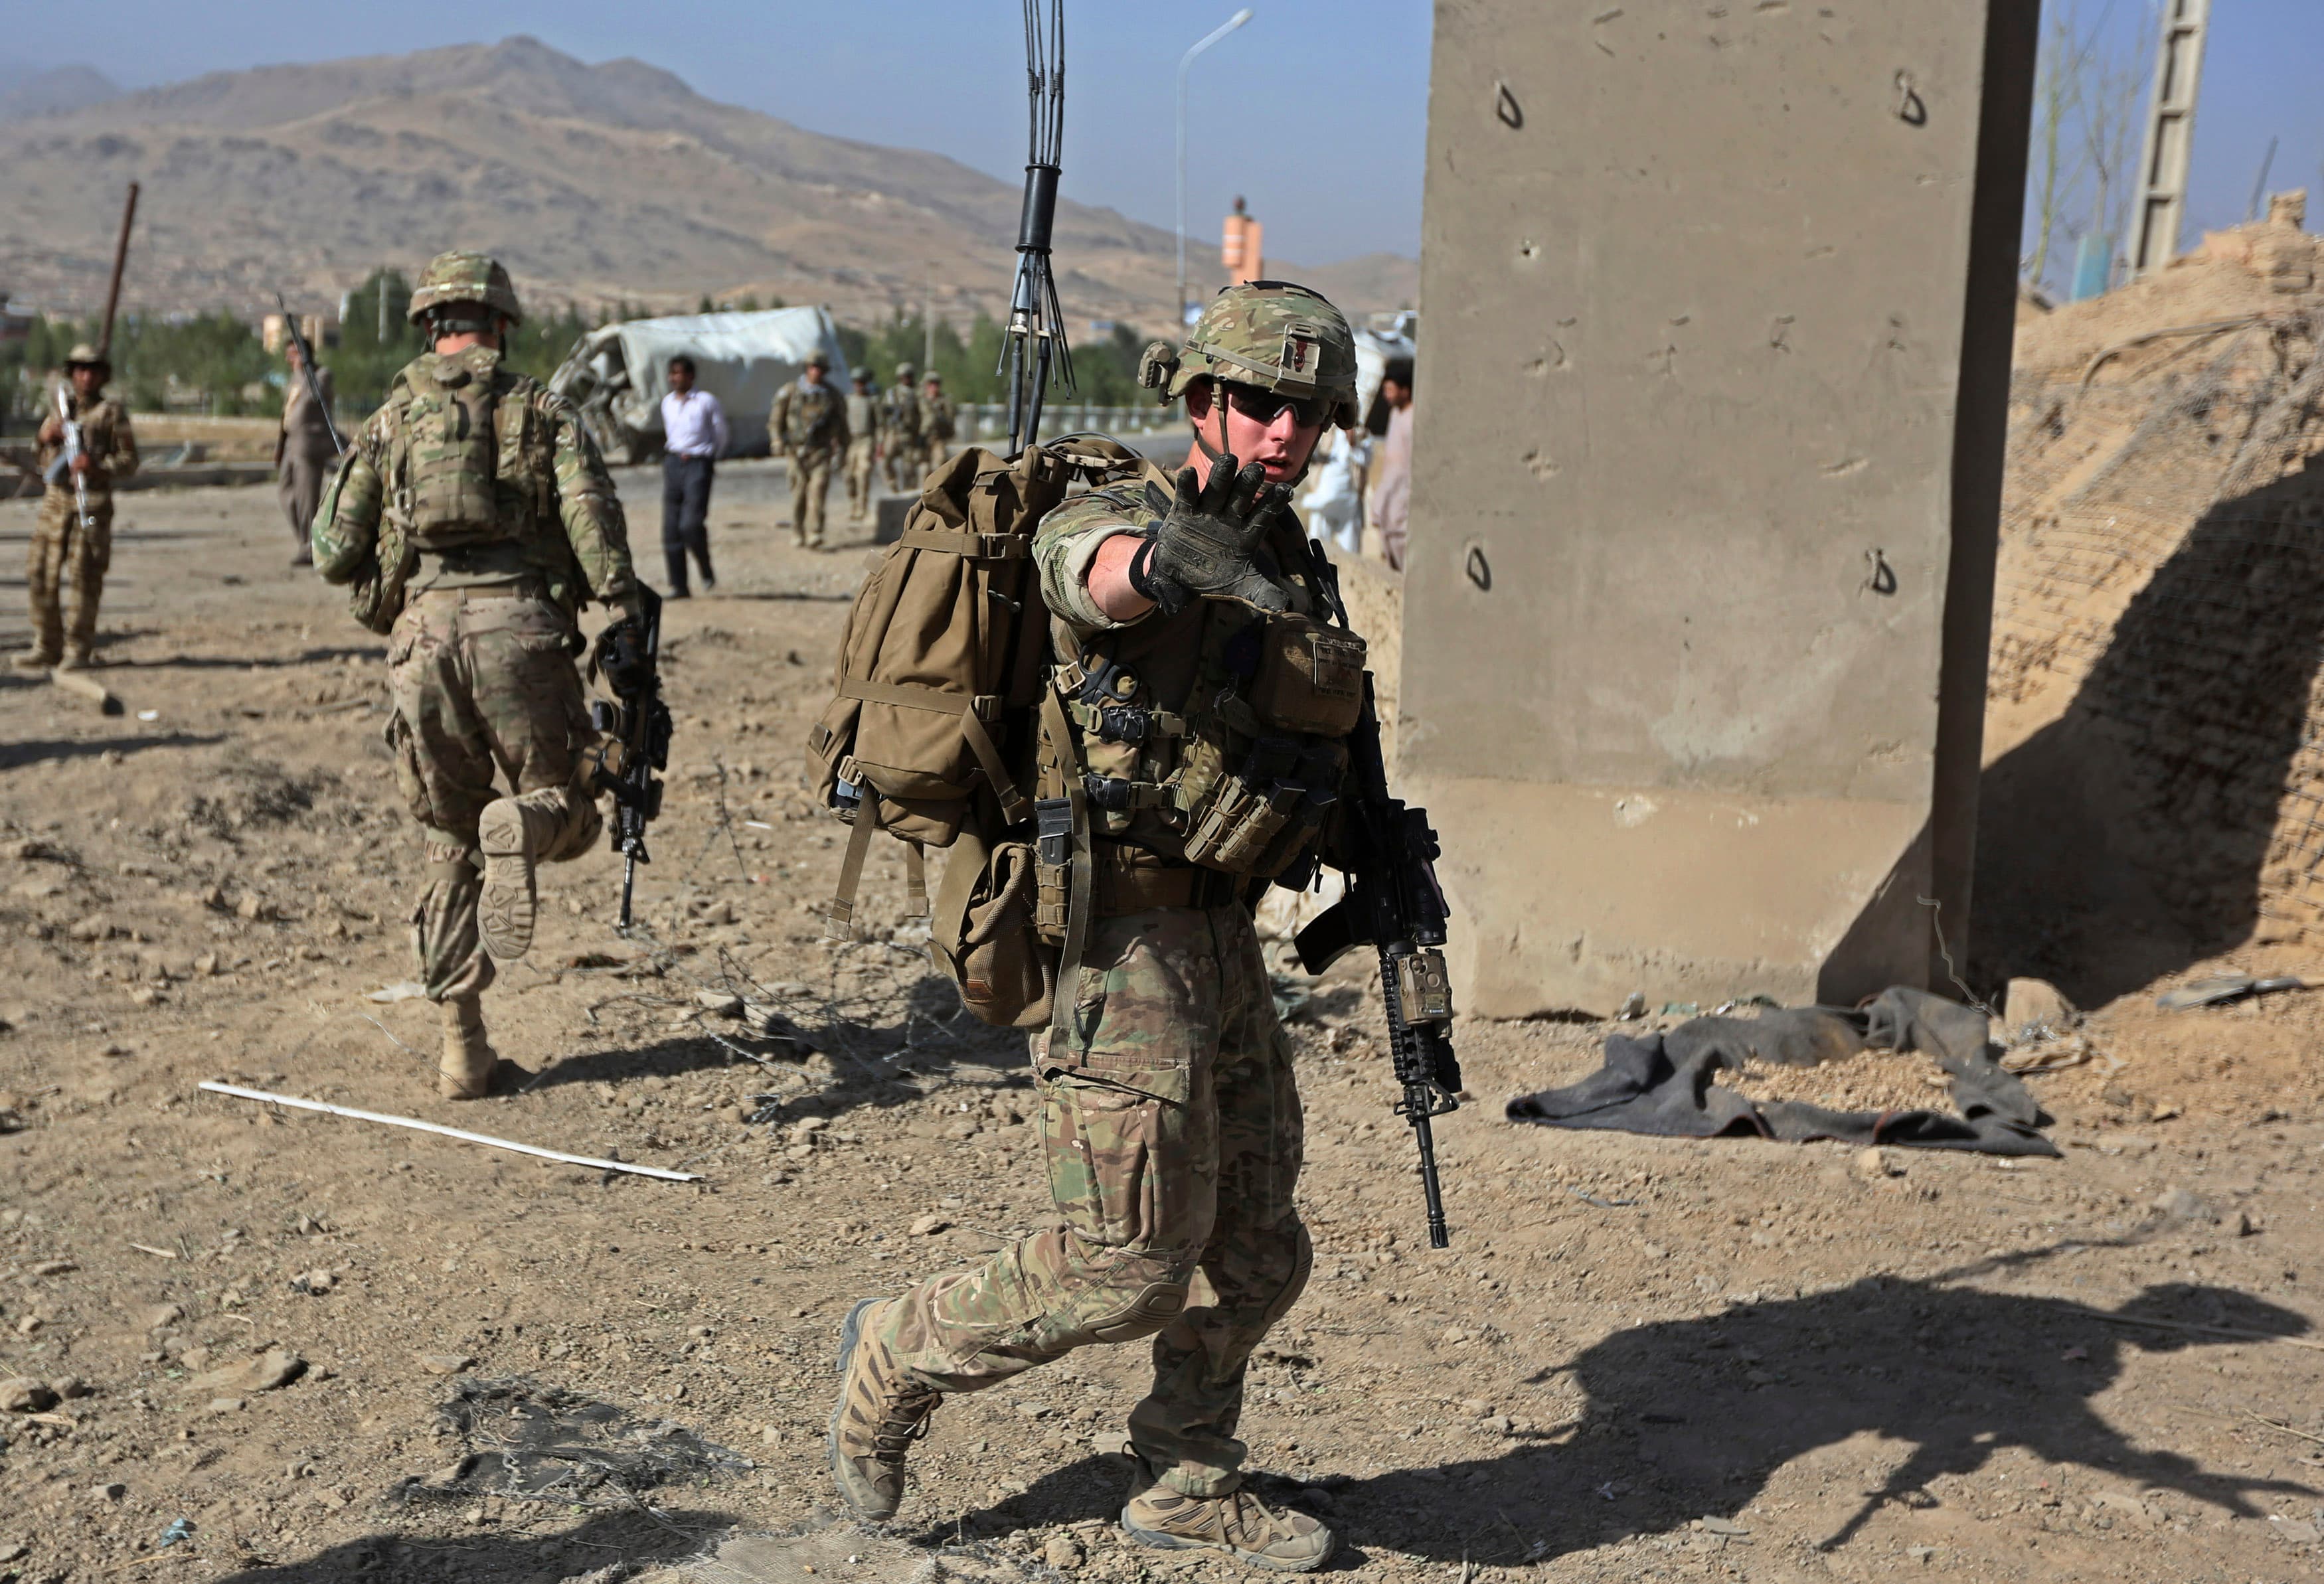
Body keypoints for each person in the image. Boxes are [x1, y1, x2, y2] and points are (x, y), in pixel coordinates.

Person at [828, 281, 1368, 1573]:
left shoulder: (1293, 560)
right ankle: (898, 1347)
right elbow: (1092, 578)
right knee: (1126, 1263)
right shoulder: (1124, 507)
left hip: (1222, 930)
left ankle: (1185, 1470)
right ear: (1201, 402)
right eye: (1257, 404)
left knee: (1256, 1248)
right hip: (1117, 935)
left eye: (1310, 413)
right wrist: (1168, 561)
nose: (1283, 432)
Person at [310, 250, 641, 1101]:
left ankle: (463, 1052)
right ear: (499, 325)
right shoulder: (542, 410)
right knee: (569, 804)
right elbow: (593, 521)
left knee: (446, 840)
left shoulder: (389, 421)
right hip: (521, 633)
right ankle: (525, 828)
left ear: (429, 325)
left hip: (422, 645)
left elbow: (332, 552)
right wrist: (623, 605)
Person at [17, 345, 137, 671]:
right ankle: (46, 644)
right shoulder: (61, 409)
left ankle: (78, 649)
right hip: (56, 502)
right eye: (81, 370)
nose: (86, 376)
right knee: (41, 572)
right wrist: (46, 437)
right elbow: (38, 454)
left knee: (85, 577)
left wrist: (95, 466)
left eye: (93, 370)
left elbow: (129, 462)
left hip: (91, 501)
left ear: (103, 376)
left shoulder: (111, 413)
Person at [659, 354, 728, 596]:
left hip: (699, 464)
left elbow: (720, 434)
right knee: (670, 528)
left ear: (691, 376)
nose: (675, 378)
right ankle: (679, 586)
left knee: (691, 524)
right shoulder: (667, 402)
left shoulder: (706, 401)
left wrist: (709, 458)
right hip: (673, 462)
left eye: (680, 373)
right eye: (673, 373)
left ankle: (705, 568)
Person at [770, 350, 849, 550]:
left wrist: (843, 450)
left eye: (820, 369)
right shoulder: (790, 391)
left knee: (818, 491)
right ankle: (798, 531)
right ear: (807, 368)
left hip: (821, 452)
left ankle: (816, 532)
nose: (816, 372)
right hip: (796, 453)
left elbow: (842, 426)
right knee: (799, 494)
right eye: (813, 368)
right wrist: (777, 440)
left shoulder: (832, 396)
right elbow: (776, 420)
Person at [276, 337, 337, 568]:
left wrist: (305, 369)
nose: (288, 360)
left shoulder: (322, 375)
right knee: (286, 494)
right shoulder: (294, 379)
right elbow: (287, 413)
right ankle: (306, 540)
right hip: (291, 445)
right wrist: (280, 445)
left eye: (292, 354)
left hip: (310, 446)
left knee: (307, 499)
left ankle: (310, 547)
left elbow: (315, 397)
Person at [1369, 356, 1413, 571]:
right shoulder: (1396, 414)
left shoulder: (1413, 419)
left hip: (1403, 509)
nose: (1386, 395)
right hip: (1389, 506)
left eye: (1391, 390)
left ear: (1405, 390)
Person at [842, 365, 882, 525]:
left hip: (866, 440)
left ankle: (862, 507)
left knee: (863, 473)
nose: (860, 385)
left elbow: (879, 424)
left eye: (862, 382)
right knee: (848, 475)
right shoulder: (848, 400)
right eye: (857, 382)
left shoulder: (872, 401)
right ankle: (853, 504)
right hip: (851, 441)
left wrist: (879, 444)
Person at [882, 359, 924, 490]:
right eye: (903, 377)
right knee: (886, 461)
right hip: (894, 433)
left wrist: (921, 433)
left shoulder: (918, 393)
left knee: (909, 468)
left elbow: (924, 414)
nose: (906, 379)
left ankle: (908, 492)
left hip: (910, 434)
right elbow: (883, 412)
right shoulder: (892, 393)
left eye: (908, 376)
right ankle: (892, 484)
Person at [920, 371, 955, 471]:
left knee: (940, 463)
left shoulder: (944, 401)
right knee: (922, 468)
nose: (934, 387)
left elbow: (950, 419)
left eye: (936, 384)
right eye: (931, 384)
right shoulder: (919, 400)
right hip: (921, 438)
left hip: (938, 438)